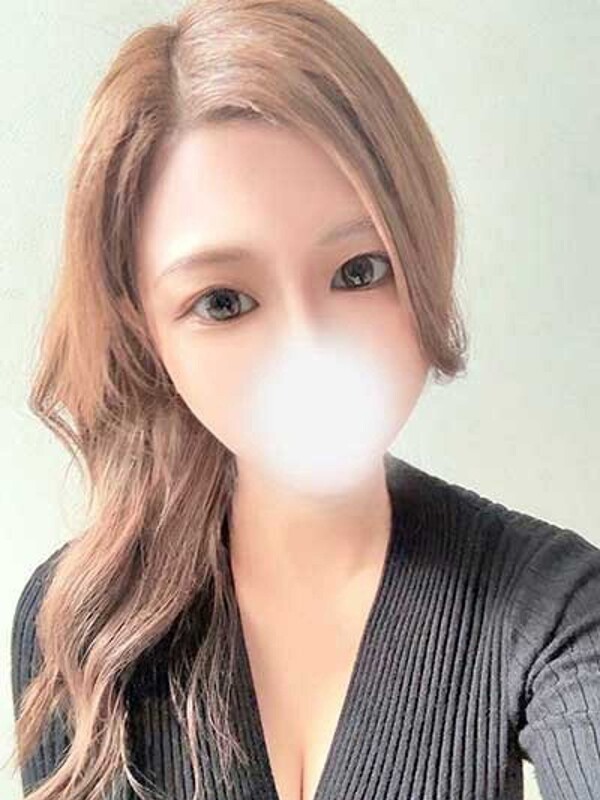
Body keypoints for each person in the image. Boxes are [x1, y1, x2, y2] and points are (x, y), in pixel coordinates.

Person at [9, 1, 600, 799]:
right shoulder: (77, 623)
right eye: (223, 301)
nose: (309, 350)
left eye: (359, 271)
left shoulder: (555, 605)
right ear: (143, 328)